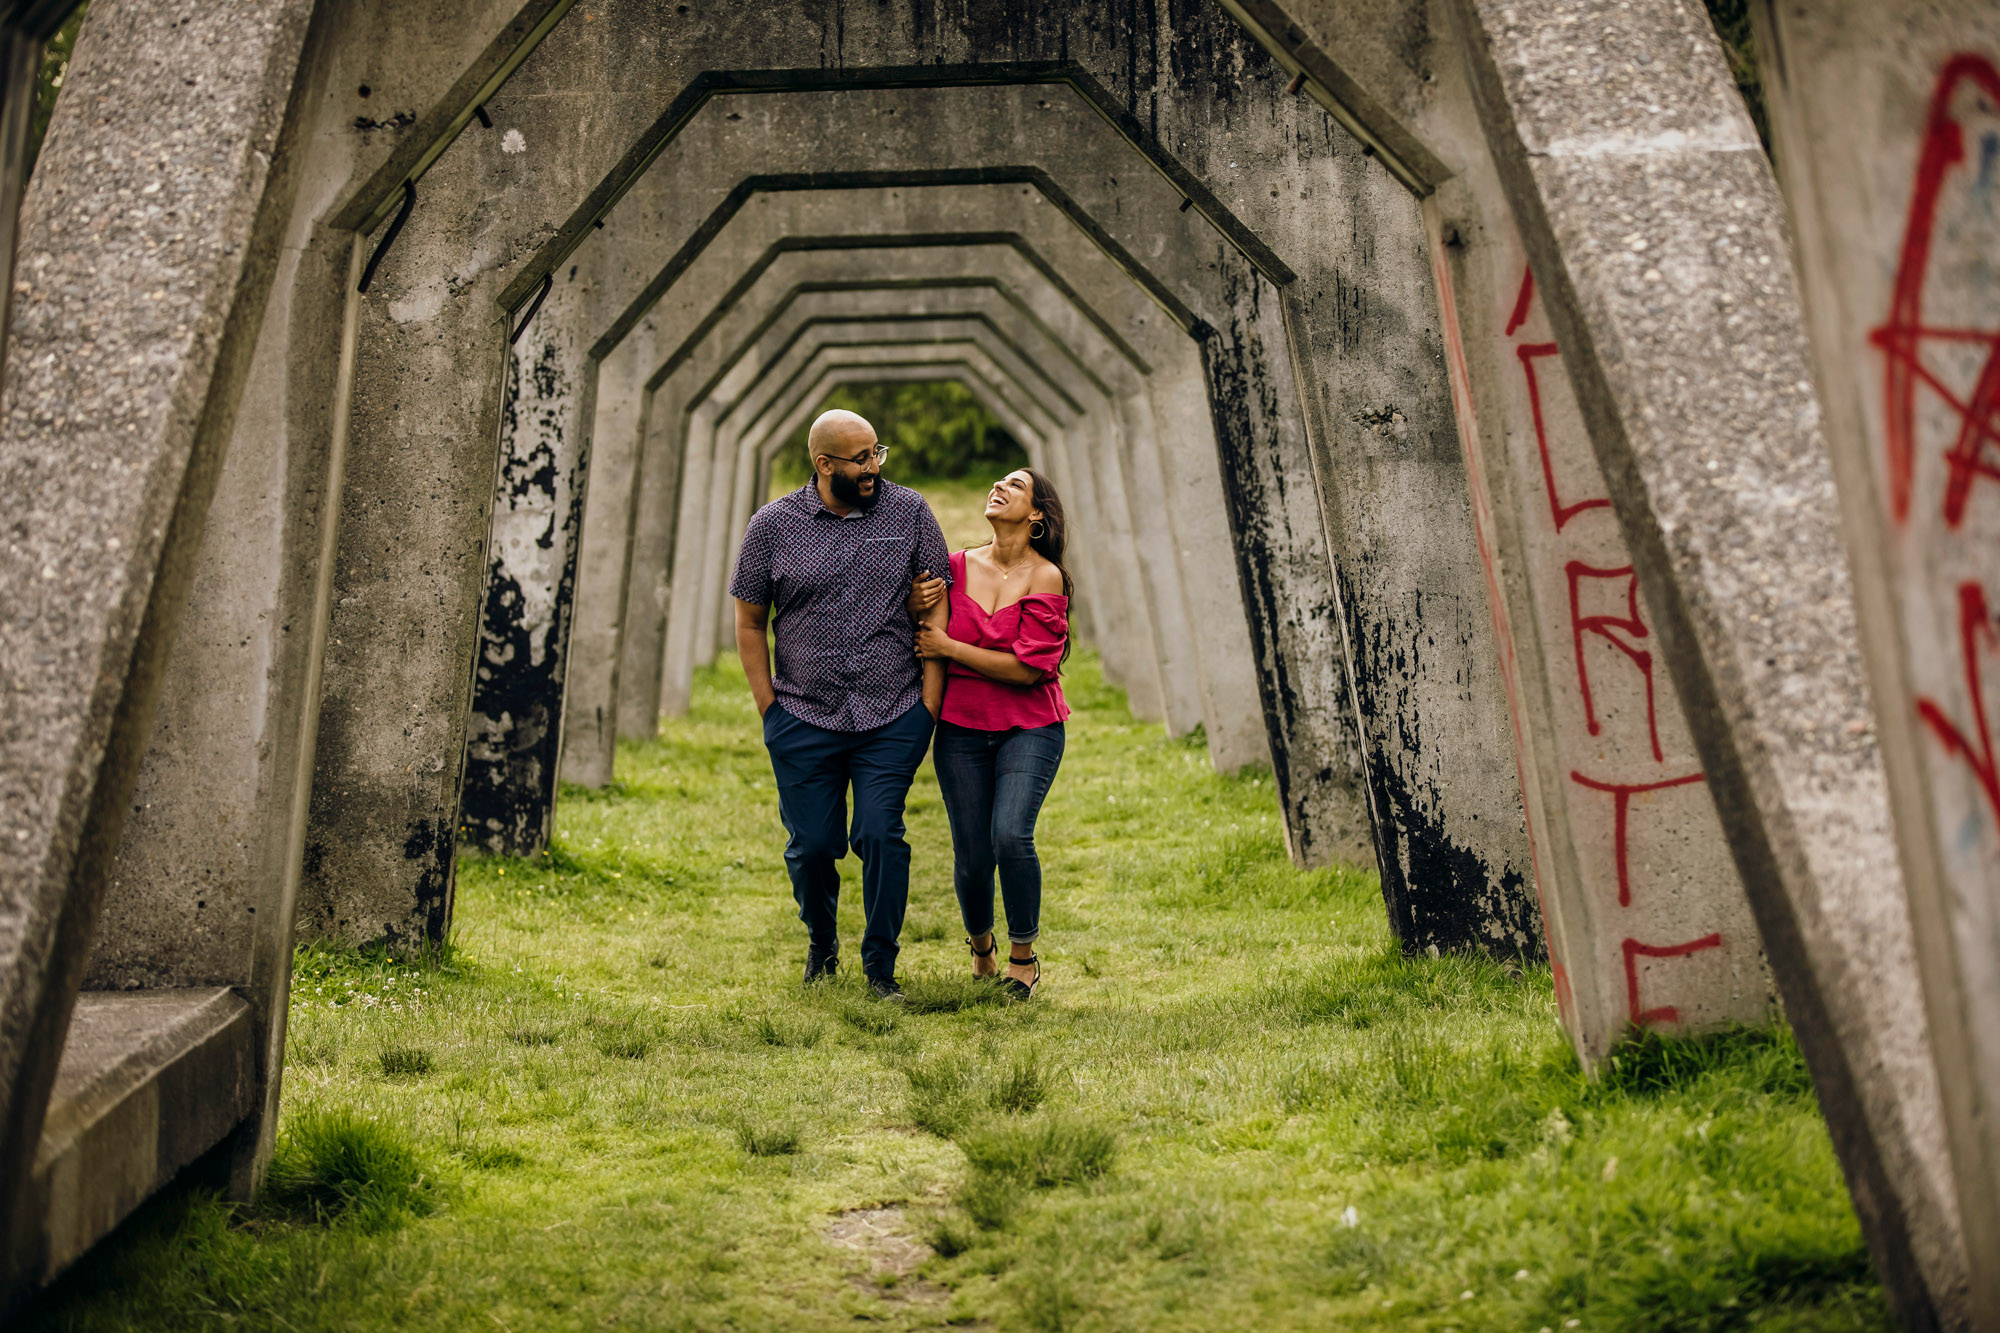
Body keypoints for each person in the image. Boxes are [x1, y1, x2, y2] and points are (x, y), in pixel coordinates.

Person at [731, 408, 951, 1000]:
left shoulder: (909, 513)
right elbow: (750, 620)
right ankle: (821, 945)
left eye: (877, 453)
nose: (873, 467)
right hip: (803, 715)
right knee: (812, 848)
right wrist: (768, 708)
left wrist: (928, 704)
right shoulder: (771, 526)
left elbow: (936, 606)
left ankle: (881, 969)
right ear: (824, 464)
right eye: (860, 458)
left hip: (893, 710)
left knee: (881, 834)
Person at [909, 468, 1071, 1000]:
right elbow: (921, 630)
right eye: (997, 482)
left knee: (1010, 835)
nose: (999, 487)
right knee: (972, 852)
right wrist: (914, 606)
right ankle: (982, 953)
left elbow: (1028, 669)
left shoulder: (1046, 577)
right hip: (960, 726)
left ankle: (1023, 959)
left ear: (1037, 514)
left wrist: (952, 650)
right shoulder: (954, 568)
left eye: (1016, 485)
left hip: (1030, 726)